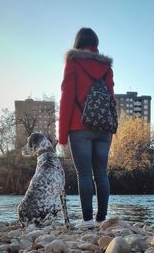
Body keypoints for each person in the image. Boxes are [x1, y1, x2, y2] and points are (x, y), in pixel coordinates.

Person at [58, 27, 114, 229]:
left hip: (78, 127)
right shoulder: (107, 67)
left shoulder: (73, 63)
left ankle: (88, 220)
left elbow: (67, 100)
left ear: (77, 43)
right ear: (96, 45)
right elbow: (111, 99)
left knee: (84, 175)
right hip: (104, 127)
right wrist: (111, 127)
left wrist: (62, 136)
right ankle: (102, 220)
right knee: (101, 173)